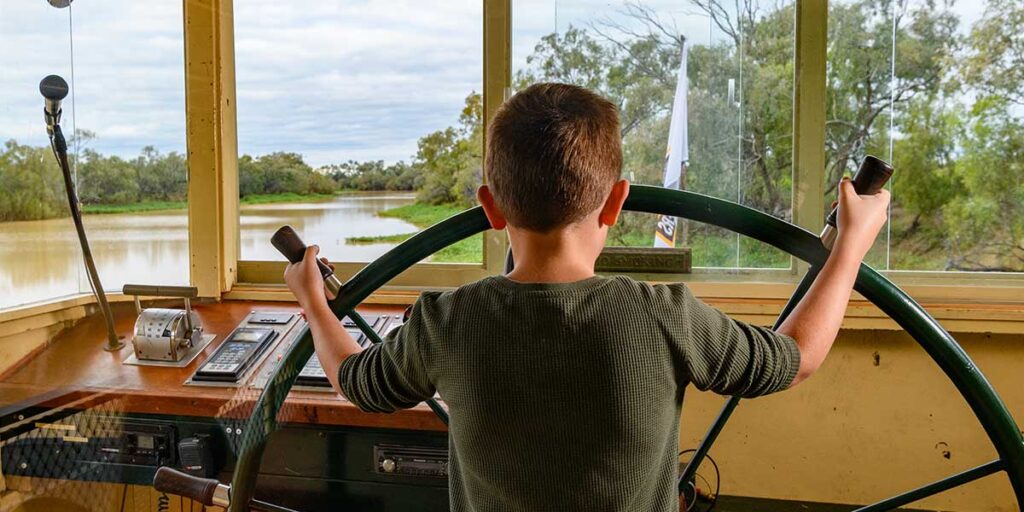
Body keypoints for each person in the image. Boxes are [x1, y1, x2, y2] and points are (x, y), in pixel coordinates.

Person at [284, 83, 890, 512]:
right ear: (618, 200)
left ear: (489, 207)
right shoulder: (660, 315)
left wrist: (315, 303)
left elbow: (357, 381)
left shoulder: (451, 319)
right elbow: (796, 358)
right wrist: (850, 247)